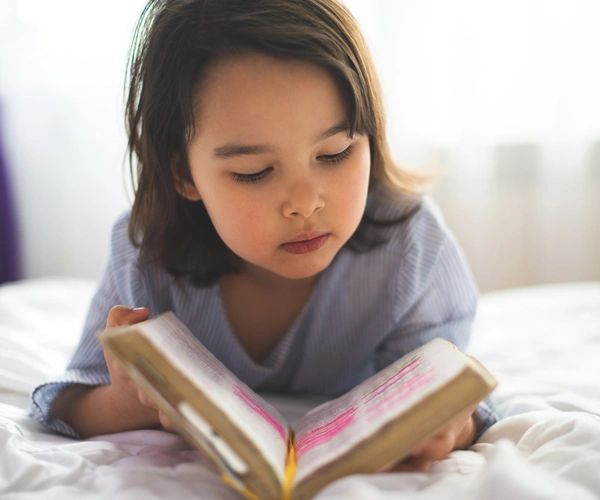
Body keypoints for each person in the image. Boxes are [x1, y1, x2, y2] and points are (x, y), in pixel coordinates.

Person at [30, 0, 497, 472]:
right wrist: (126, 403)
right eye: (254, 172)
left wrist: (452, 427)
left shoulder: (411, 247)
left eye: (335, 153)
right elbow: (70, 399)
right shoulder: (146, 255)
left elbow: (457, 400)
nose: (304, 202)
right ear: (183, 174)